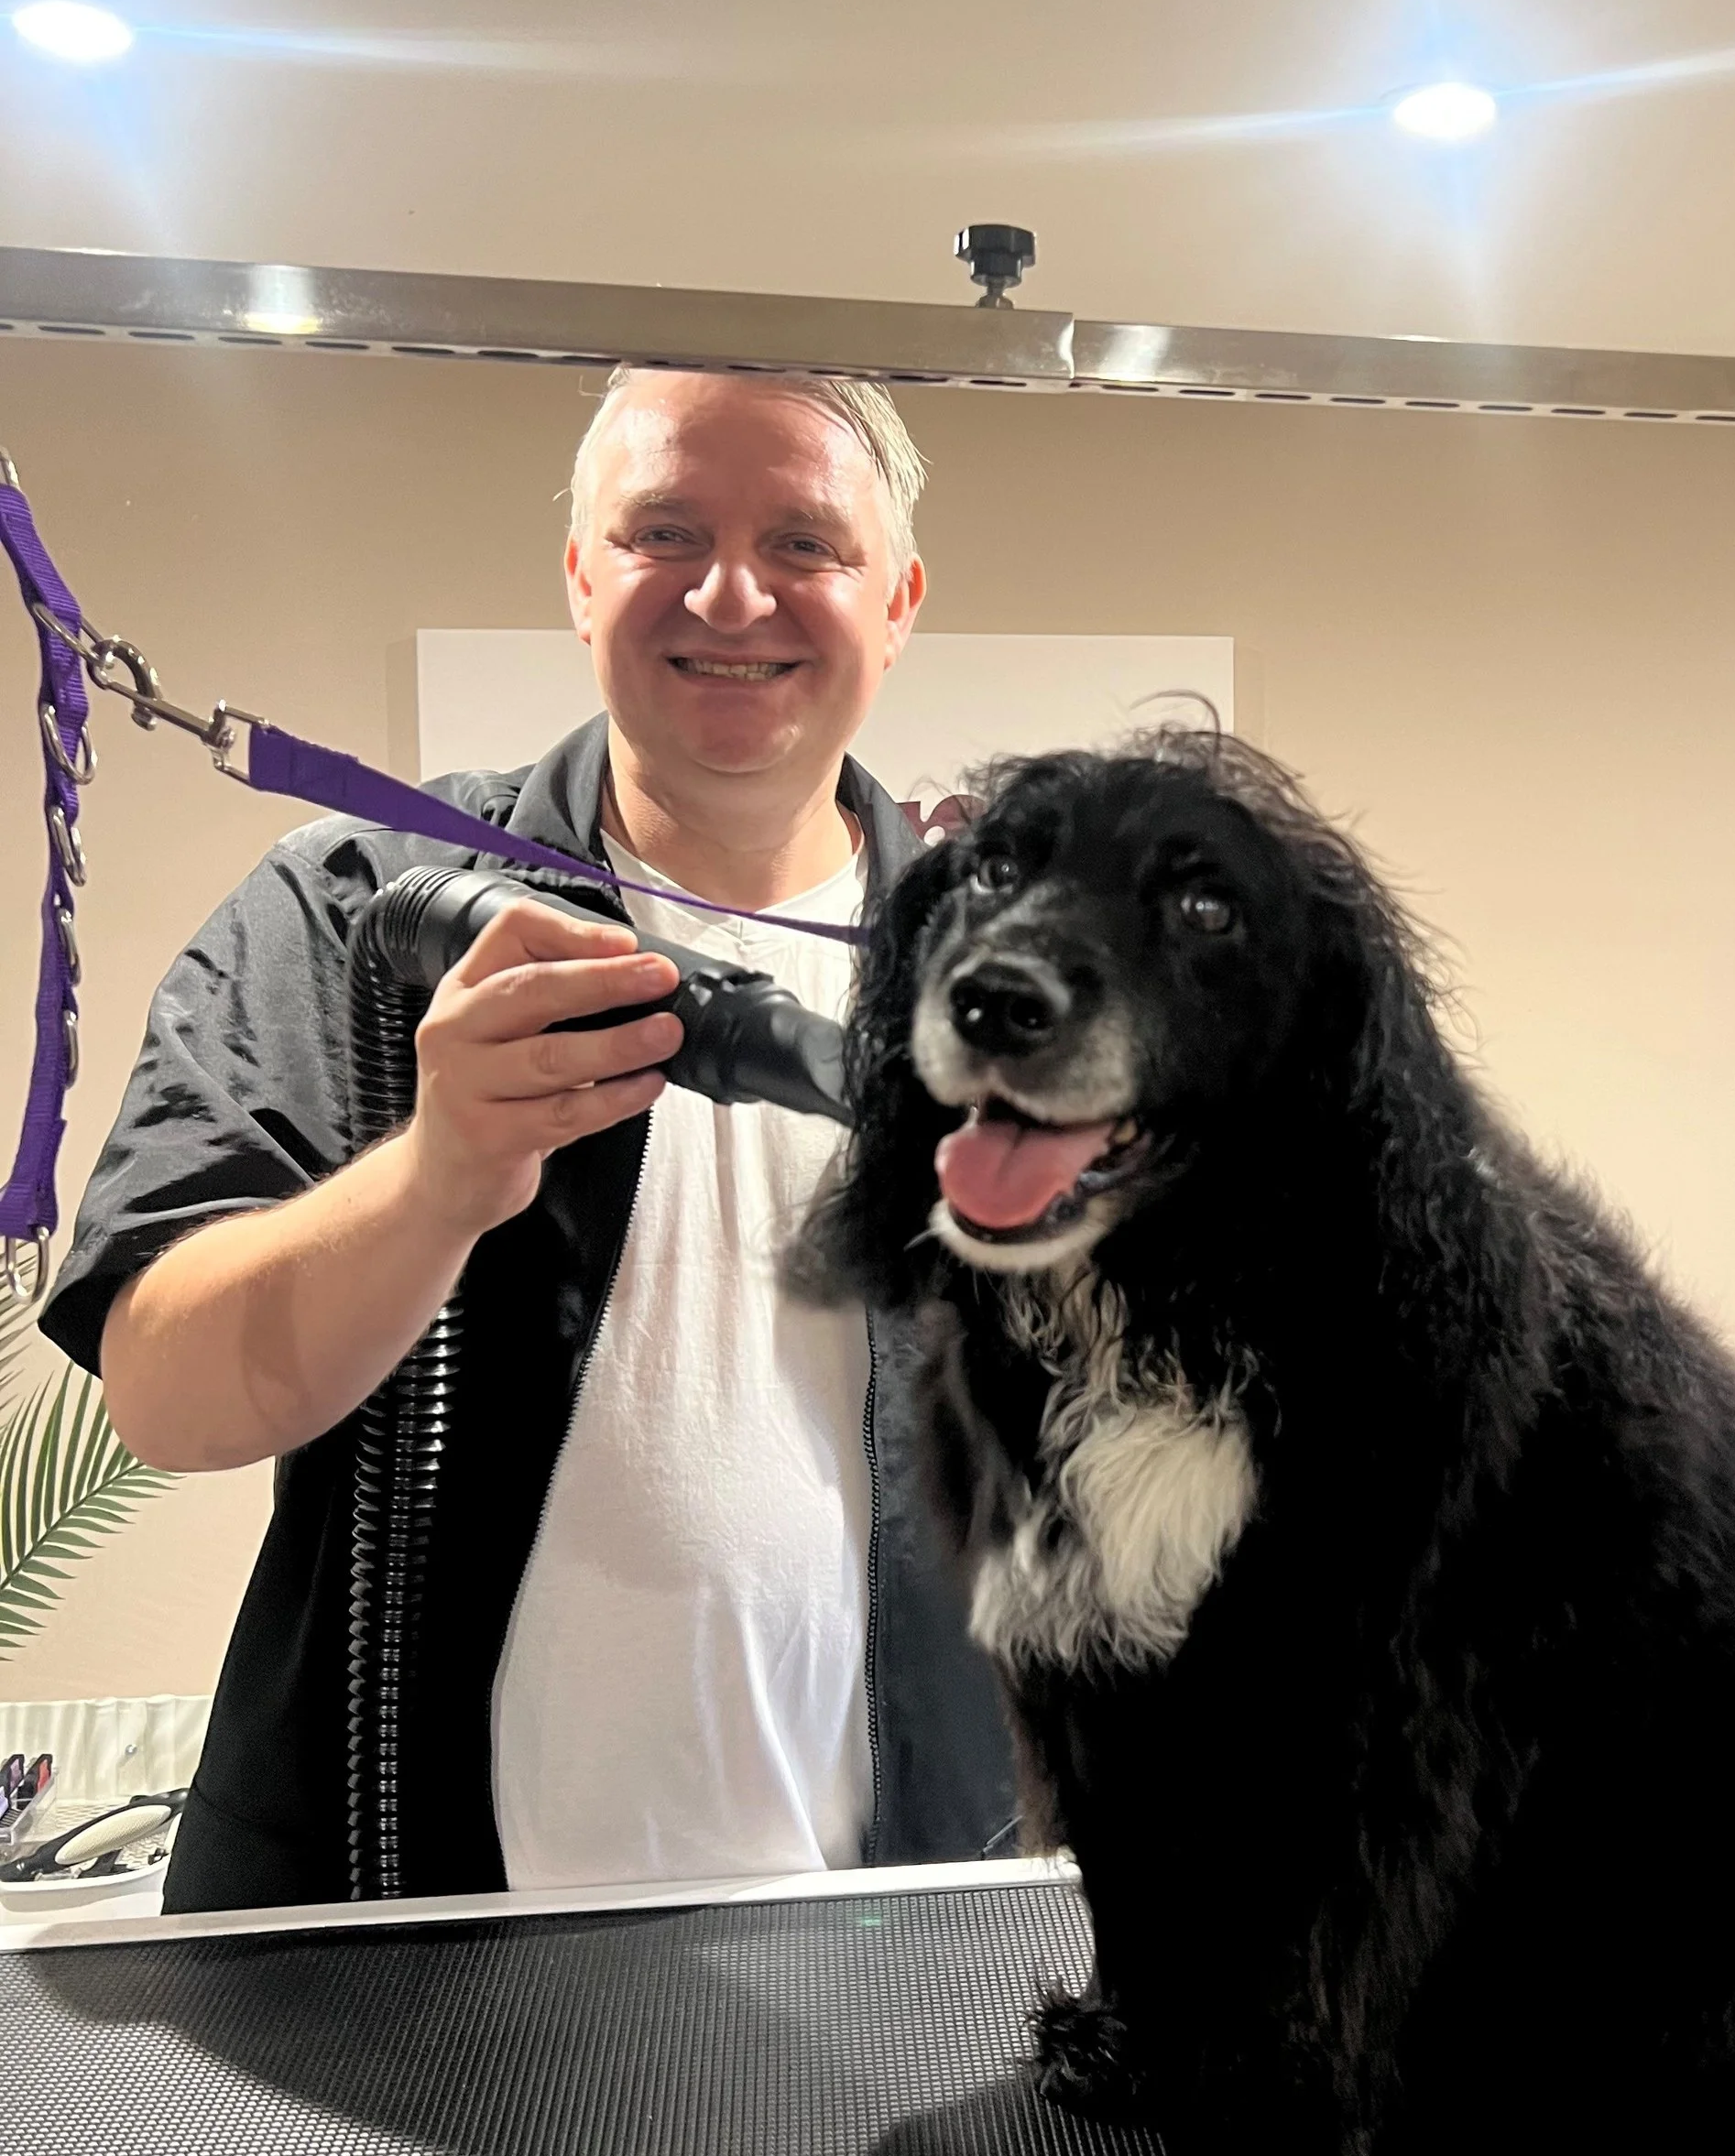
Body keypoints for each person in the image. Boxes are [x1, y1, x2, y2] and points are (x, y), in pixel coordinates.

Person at [41, 368, 1018, 1911]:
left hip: (900, 1939)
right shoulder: (353, 910)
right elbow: (169, 1394)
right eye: (665, 531)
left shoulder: (1016, 976)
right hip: (407, 1950)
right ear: (580, 578)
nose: (733, 593)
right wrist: (434, 1185)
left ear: (895, 602)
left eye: (805, 544)